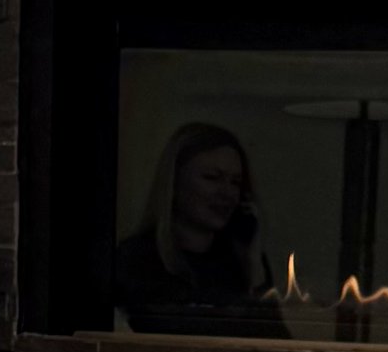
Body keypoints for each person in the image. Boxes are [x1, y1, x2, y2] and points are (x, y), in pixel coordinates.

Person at [113, 122, 288, 335]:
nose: (227, 193)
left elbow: (275, 344)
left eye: (235, 182)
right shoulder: (138, 260)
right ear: (175, 182)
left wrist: (254, 264)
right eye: (212, 178)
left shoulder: (237, 264)